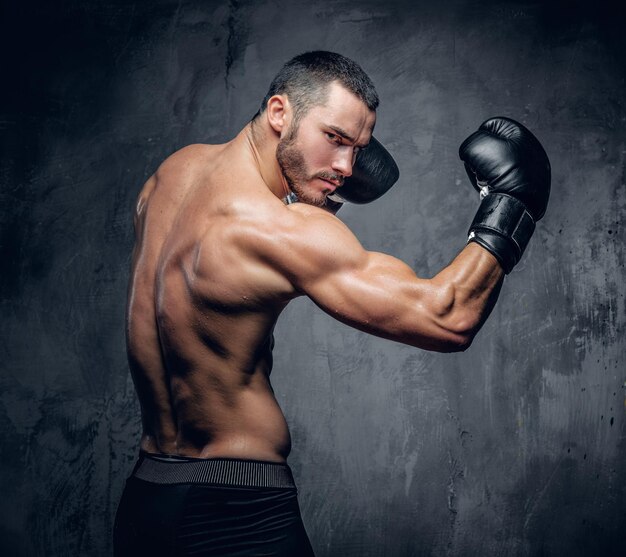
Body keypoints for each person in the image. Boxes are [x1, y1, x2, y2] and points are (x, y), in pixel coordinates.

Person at [113, 51, 550, 556]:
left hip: (146, 501)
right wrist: (513, 202)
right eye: (335, 139)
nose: (346, 167)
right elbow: (448, 317)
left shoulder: (171, 174)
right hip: (233, 512)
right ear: (280, 113)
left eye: (357, 149)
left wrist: (316, 180)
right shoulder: (281, 231)